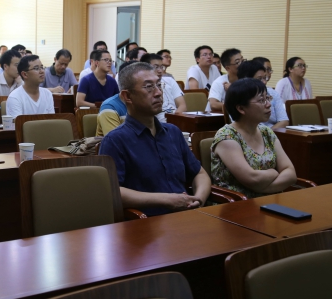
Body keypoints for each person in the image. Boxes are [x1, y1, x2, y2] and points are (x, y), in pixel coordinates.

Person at [100, 62, 211, 216]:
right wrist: (166, 200)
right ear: (127, 96)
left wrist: (198, 199)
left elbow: (200, 174)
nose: (158, 93)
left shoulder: (173, 132)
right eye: (149, 87)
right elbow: (112, 191)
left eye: (159, 85)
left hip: (187, 215)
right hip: (146, 222)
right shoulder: (115, 140)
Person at [211, 78, 297, 198]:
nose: (268, 104)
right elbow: (252, 178)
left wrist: (263, 189)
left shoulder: (266, 132)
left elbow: (290, 173)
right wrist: (273, 172)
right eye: (261, 100)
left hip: (270, 201)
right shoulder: (227, 136)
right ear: (241, 108)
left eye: (268, 98)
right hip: (238, 204)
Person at [238, 60, 289, 130]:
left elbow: (284, 121)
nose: (264, 82)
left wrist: (268, 134)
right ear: (247, 79)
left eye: (265, 78)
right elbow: (241, 126)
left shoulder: (272, 93)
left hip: (274, 132)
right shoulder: (238, 97)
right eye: (259, 79)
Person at [95, 61, 136, 137]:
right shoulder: (109, 107)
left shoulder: (147, 105)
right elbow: (116, 141)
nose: (157, 92)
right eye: (148, 86)